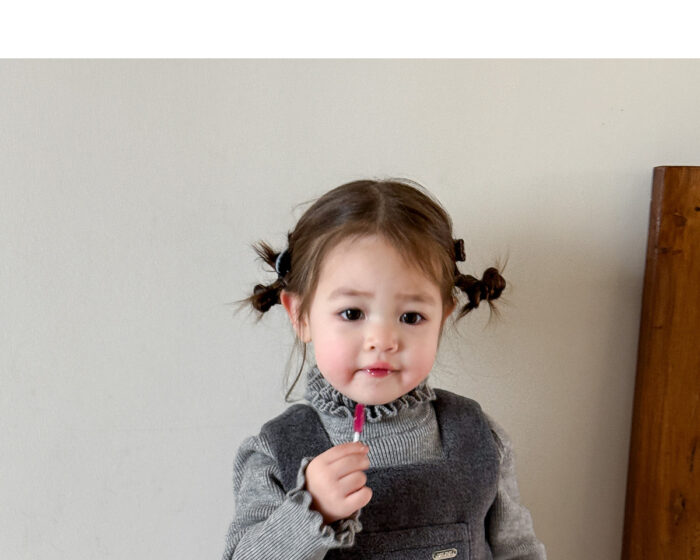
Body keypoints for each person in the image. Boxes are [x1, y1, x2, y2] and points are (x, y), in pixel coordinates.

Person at [222, 179, 546, 559]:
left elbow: (519, 552)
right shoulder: (276, 452)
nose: (382, 340)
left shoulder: (480, 437)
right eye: (352, 313)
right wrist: (310, 512)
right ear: (301, 316)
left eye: (411, 316)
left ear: (442, 318)